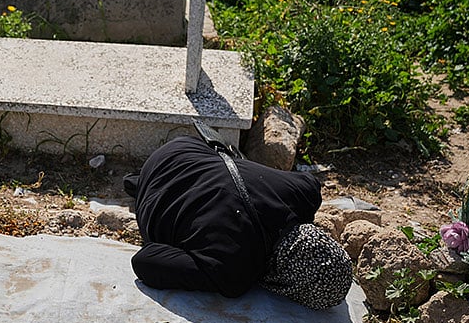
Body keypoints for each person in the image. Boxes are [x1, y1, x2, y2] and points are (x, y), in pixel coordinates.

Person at [124, 133, 353, 310]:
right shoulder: (232, 273)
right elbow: (145, 261)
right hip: (153, 190)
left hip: (185, 147)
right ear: (292, 286)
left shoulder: (306, 193)